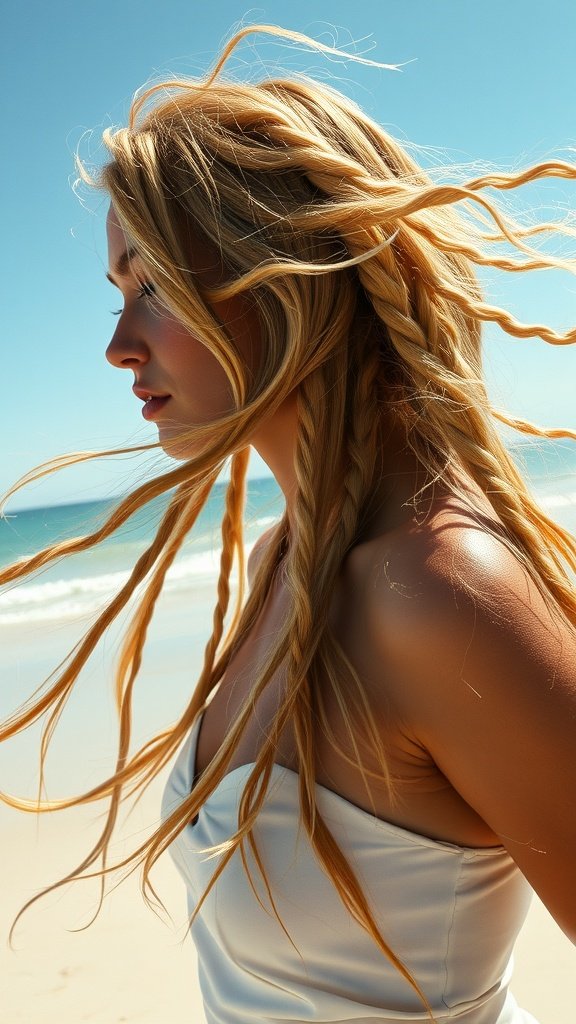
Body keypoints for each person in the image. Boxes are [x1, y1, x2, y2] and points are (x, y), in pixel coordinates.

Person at [2, 23, 576, 1024]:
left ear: (290, 270)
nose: (119, 347)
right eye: (115, 299)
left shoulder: (439, 592)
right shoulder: (288, 561)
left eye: (151, 286)